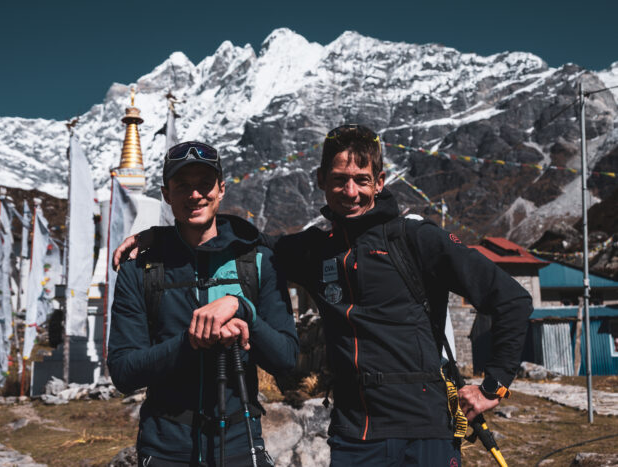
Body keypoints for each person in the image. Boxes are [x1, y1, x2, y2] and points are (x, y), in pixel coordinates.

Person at [114, 127, 533, 466]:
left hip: (424, 429)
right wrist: (162, 236)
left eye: (361, 180)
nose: (350, 191)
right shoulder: (311, 249)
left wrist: (494, 387)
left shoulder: (418, 238)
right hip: (353, 436)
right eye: (339, 180)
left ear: (380, 182)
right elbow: (237, 237)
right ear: (321, 182)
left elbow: (512, 301)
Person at [107, 141, 298, 467]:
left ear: (221, 189)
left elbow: (287, 360)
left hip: (242, 442)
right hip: (166, 447)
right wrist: (191, 341)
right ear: (166, 194)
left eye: (204, 184)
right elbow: (124, 372)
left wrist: (244, 311)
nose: (195, 195)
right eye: (182, 186)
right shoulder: (139, 270)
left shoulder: (258, 261)